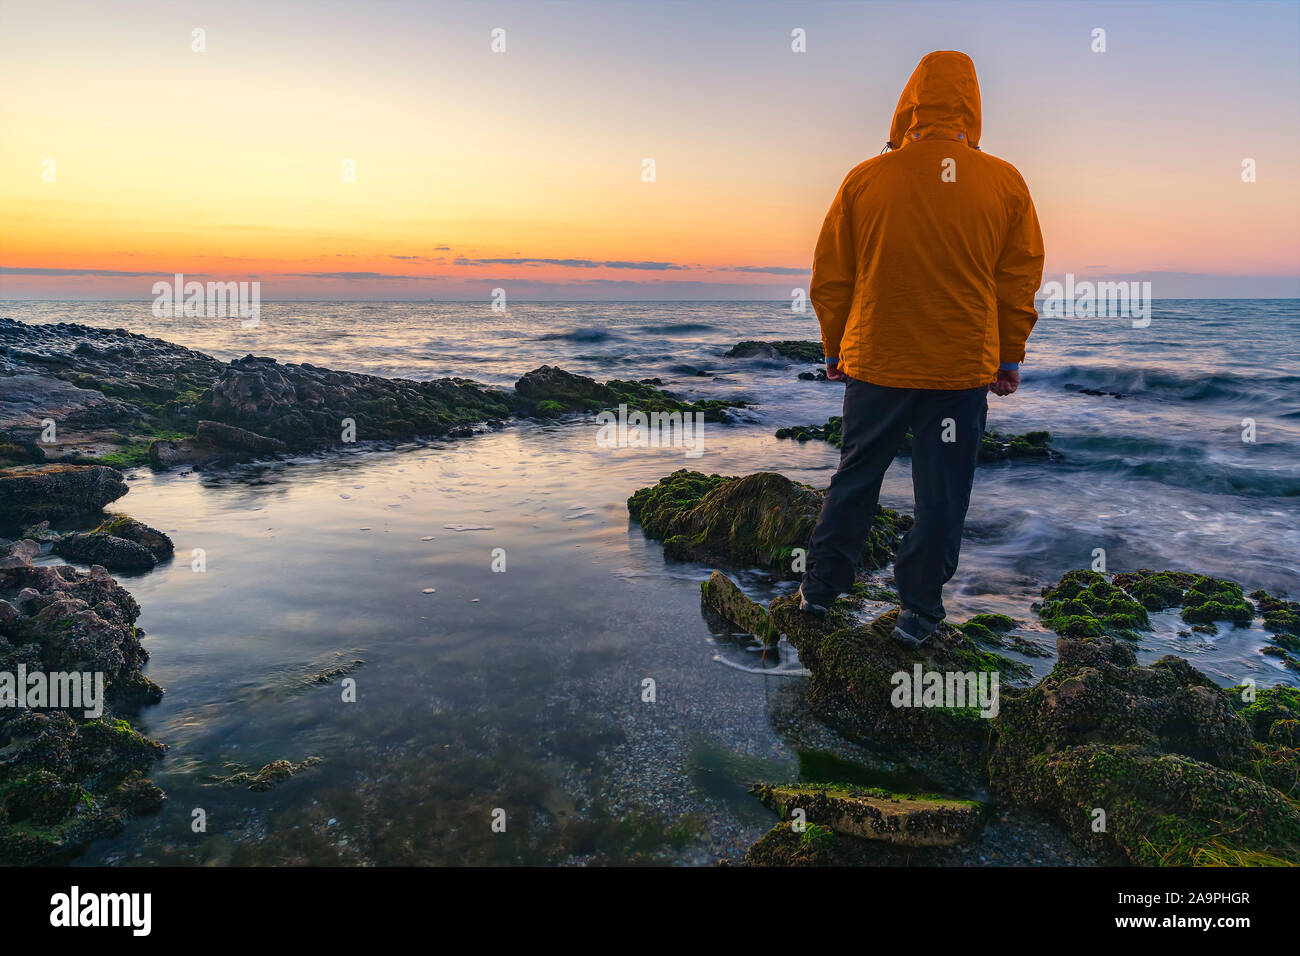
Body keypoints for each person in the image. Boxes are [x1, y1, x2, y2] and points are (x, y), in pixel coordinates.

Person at [798, 50, 1045, 649]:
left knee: (856, 477)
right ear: (972, 105)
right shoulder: (1004, 180)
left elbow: (833, 276)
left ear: (908, 102)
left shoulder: (865, 178)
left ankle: (819, 595)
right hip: (959, 369)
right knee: (942, 492)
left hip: (877, 361)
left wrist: (835, 348)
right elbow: (1018, 276)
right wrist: (1008, 354)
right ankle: (919, 612)